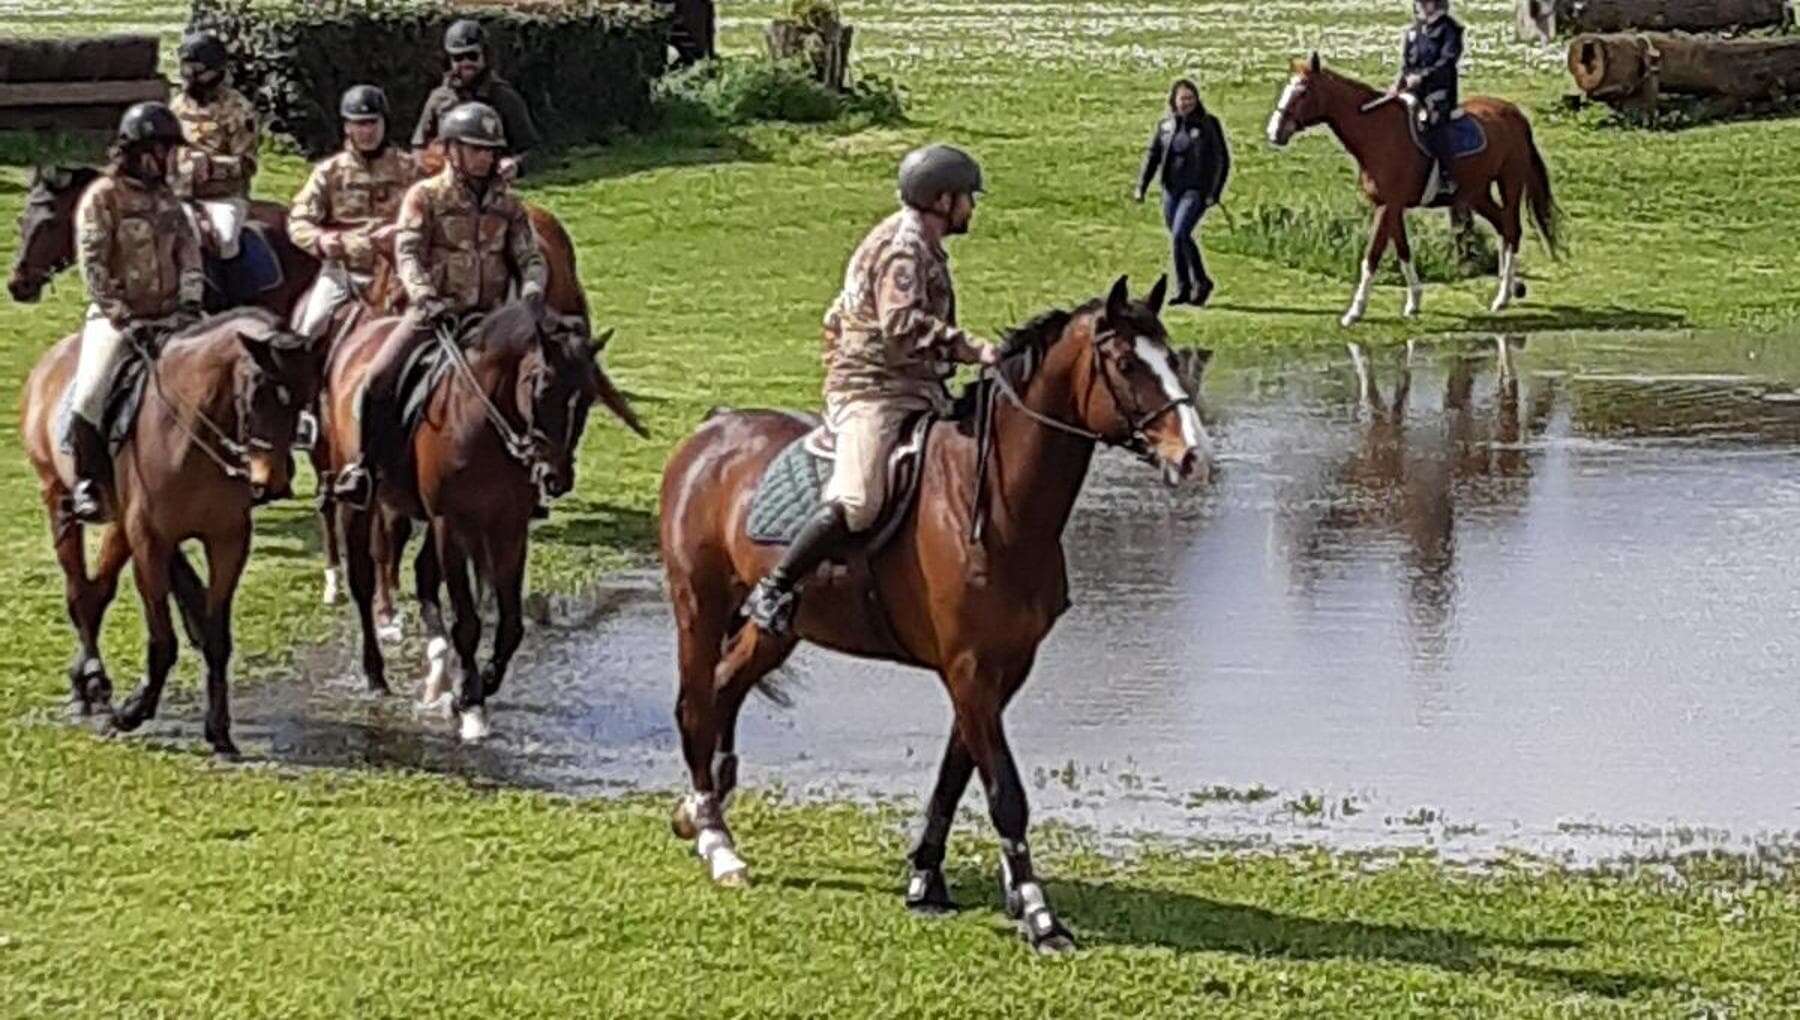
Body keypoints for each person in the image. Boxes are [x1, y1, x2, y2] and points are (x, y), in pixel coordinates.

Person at [739, 144, 1003, 636]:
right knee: (859, 500)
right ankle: (774, 588)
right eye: (968, 197)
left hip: (915, 387)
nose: (972, 207)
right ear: (942, 200)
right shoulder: (903, 249)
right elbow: (900, 324)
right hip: (871, 390)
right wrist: (971, 348)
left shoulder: (923, 240)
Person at [332, 101, 547, 505]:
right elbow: (408, 252)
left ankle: (534, 474)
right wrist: (424, 295)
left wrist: (533, 292)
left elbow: (529, 256)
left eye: (489, 150)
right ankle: (363, 467)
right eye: (475, 148)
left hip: (492, 320)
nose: (485, 157)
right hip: (433, 314)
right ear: (451, 150)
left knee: (543, 381)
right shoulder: (424, 197)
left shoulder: (509, 205)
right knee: (378, 378)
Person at [68, 102, 206, 522]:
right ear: (136, 150)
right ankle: (88, 481)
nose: (167, 159)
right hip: (117, 320)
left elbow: (189, 254)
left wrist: (190, 301)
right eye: (160, 150)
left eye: (169, 151)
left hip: (173, 317)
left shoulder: (170, 201)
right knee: (91, 392)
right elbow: (92, 264)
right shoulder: (102, 198)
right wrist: (121, 314)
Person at [288, 85, 421, 340]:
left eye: (372, 122)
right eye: (358, 124)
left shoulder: (412, 170)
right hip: (344, 273)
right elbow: (298, 221)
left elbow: (437, 215)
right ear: (347, 127)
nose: (367, 131)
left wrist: (403, 231)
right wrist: (319, 240)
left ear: (385, 123)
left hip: (400, 273)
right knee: (308, 330)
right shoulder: (329, 172)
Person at [1136, 78, 1230, 307]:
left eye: (1190, 98)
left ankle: (1191, 285)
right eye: (1182, 99)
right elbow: (1153, 156)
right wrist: (1142, 186)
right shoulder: (1166, 126)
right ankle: (1192, 285)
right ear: (1174, 101)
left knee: (1180, 233)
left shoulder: (1208, 125)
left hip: (1196, 191)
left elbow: (1221, 160)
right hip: (1171, 190)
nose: (1186, 103)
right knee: (1180, 238)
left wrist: (1213, 192)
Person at [168, 31, 260, 260]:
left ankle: (230, 292)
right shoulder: (176, 106)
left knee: (225, 240)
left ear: (216, 72)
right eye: (186, 69)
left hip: (224, 196)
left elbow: (248, 163)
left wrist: (210, 166)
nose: (190, 77)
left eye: (198, 71)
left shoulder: (238, 109)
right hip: (177, 193)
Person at [411, 20, 540, 182]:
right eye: (458, 57)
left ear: (484, 55)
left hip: (490, 186)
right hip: (445, 186)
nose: (465, 63)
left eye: (472, 56)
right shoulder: (438, 98)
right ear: (449, 60)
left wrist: (515, 165)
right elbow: (418, 146)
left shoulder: (504, 97)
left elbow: (532, 151)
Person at [1392, 0, 1464, 197]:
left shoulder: (1449, 29)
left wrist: (1423, 77)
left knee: (1434, 121)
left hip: (1439, 90)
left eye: (1426, 1)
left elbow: (1447, 61)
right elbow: (1406, 64)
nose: (1422, 5)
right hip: (1413, 91)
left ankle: (1446, 175)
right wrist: (1397, 85)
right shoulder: (1413, 31)